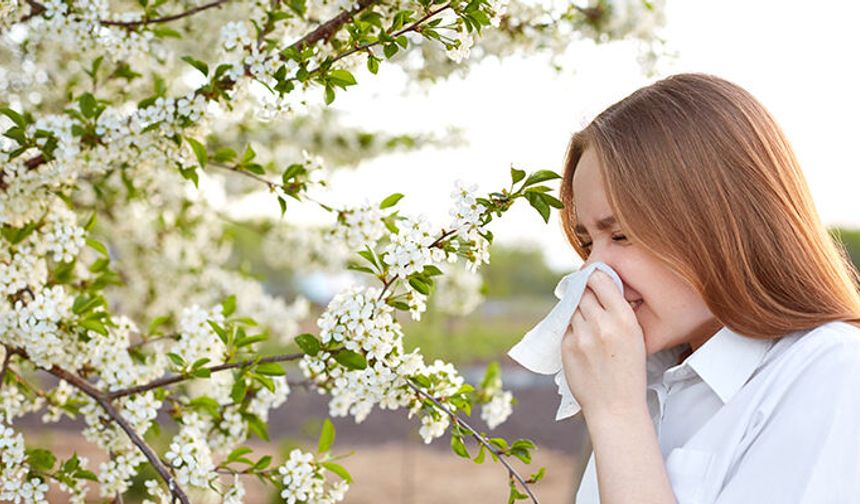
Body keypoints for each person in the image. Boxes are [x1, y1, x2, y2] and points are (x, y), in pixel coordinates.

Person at [557, 72, 860, 503]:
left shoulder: (834, 373)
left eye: (620, 235)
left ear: (718, 223)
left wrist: (617, 416)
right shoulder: (645, 379)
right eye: (587, 243)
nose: (594, 271)